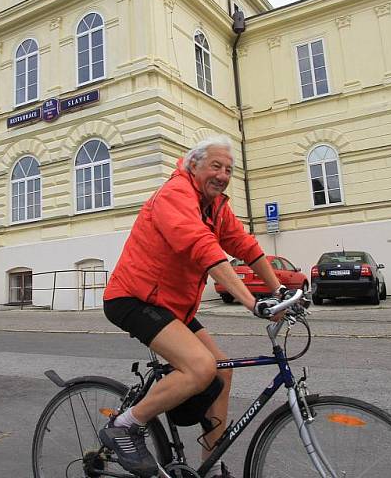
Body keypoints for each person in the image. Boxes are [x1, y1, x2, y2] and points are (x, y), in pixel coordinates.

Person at [100, 135, 285, 478]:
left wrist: (280, 291)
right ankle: (124, 426)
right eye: (215, 166)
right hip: (133, 298)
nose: (223, 174)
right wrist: (251, 301)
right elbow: (202, 247)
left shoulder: (214, 205)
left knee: (222, 369)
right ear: (193, 164)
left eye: (228, 169)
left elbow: (244, 244)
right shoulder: (175, 195)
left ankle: (209, 468)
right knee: (201, 367)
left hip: (173, 306)